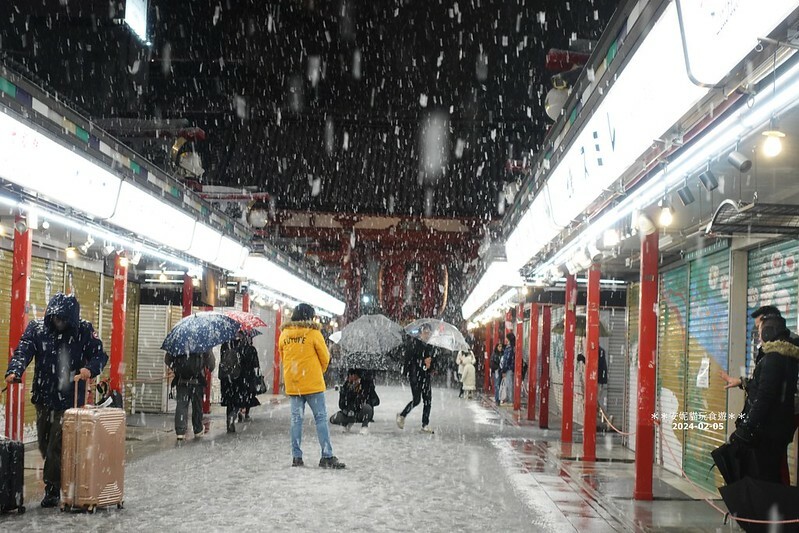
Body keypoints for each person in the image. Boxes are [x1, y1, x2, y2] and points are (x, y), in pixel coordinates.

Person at [4, 293, 108, 508]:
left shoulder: (84, 331)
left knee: (55, 445)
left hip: (69, 399)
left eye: (62, 319)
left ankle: (52, 488)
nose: (58, 322)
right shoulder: (37, 329)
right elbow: (24, 349)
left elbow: (100, 355)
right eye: (55, 318)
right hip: (43, 396)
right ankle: (58, 478)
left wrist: (90, 369)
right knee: (44, 443)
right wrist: (15, 370)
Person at [721, 312, 799, 483]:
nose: (758, 335)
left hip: (767, 429)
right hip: (779, 427)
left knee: (765, 477)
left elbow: (764, 396)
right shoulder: (789, 357)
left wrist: (746, 428)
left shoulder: (773, 358)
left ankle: (766, 508)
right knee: (773, 474)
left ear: (768, 332)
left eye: (760, 329)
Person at [279, 303, 345, 469]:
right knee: (320, 419)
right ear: (309, 316)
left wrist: (294, 374)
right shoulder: (313, 333)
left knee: (296, 421)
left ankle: (297, 457)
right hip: (313, 385)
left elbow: (283, 357)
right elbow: (325, 357)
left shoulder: (284, 334)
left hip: (294, 385)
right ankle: (326, 456)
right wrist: (317, 371)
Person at [165, 349, 215, 441]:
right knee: (197, 406)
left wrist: (177, 369)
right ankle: (198, 429)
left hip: (182, 381)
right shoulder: (202, 343)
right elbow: (211, 365)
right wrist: (204, 366)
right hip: (197, 381)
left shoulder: (179, 343)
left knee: (181, 406)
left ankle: (180, 431)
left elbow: (167, 359)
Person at [397, 323, 435, 433]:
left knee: (428, 400)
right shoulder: (414, 344)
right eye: (425, 332)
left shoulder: (430, 346)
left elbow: (433, 361)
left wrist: (430, 364)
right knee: (417, 399)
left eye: (429, 332)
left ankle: (425, 424)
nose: (427, 334)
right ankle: (402, 415)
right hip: (415, 376)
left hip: (425, 376)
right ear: (421, 333)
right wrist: (408, 372)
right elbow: (408, 360)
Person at [219, 332, 261, 433]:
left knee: (230, 401)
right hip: (241, 379)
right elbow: (255, 364)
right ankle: (234, 415)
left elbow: (223, 362)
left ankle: (230, 418)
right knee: (239, 400)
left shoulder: (225, 345)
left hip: (227, 379)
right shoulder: (248, 348)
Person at [329, 369, 380, 435]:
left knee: (367, 408)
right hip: (349, 413)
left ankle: (364, 426)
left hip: (361, 413)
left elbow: (376, 401)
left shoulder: (366, 386)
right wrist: (347, 409)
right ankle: (346, 423)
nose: (353, 380)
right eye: (350, 377)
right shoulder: (346, 387)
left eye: (355, 378)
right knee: (334, 419)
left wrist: (364, 399)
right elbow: (341, 405)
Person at [500, 333, 516, 405]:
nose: (505, 339)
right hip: (511, 368)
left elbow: (507, 359)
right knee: (509, 383)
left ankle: (510, 400)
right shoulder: (512, 347)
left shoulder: (509, 348)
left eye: (506, 338)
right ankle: (509, 398)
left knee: (509, 384)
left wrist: (504, 370)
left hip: (508, 369)